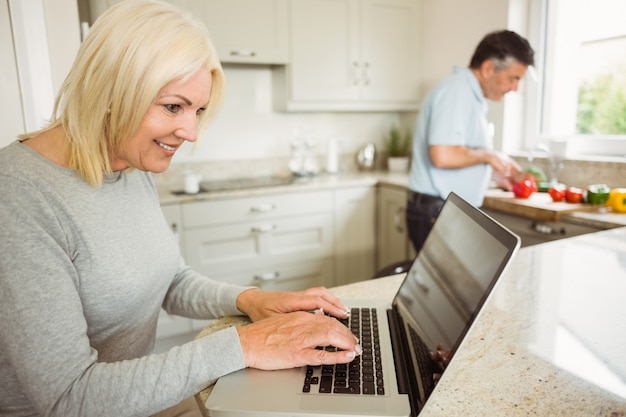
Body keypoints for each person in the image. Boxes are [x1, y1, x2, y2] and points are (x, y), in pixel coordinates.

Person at [0, 1, 361, 416]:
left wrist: (251, 300)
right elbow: (69, 397)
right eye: (173, 107)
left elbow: (169, 280)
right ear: (111, 90)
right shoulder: (19, 196)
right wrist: (245, 346)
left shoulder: (128, 163)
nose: (191, 132)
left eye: (198, 110)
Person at [406, 30, 534, 254]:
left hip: (440, 209)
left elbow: (458, 153)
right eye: (514, 78)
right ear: (487, 69)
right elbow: (443, 156)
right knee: (451, 287)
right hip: (437, 211)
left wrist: (492, 174)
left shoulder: (467, 94)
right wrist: (489, 156)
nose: (515, 88)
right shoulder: (457, 90)